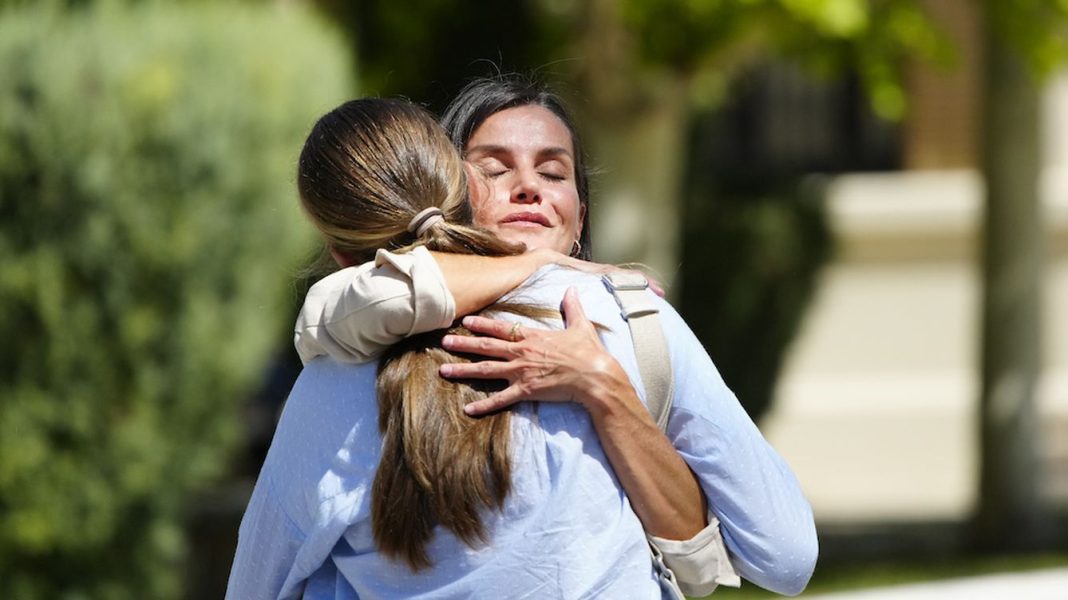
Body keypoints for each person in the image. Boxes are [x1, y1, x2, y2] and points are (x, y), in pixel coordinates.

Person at [291, 76, 818, 596]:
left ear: (579, 218)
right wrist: (539, 262)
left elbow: (786, 554)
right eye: (494, 169)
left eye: (554, 171)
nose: (529, 186)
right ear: (443, 194)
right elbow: (333, 306)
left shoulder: (632, 319)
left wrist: (606, 388)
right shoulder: (361, 334)